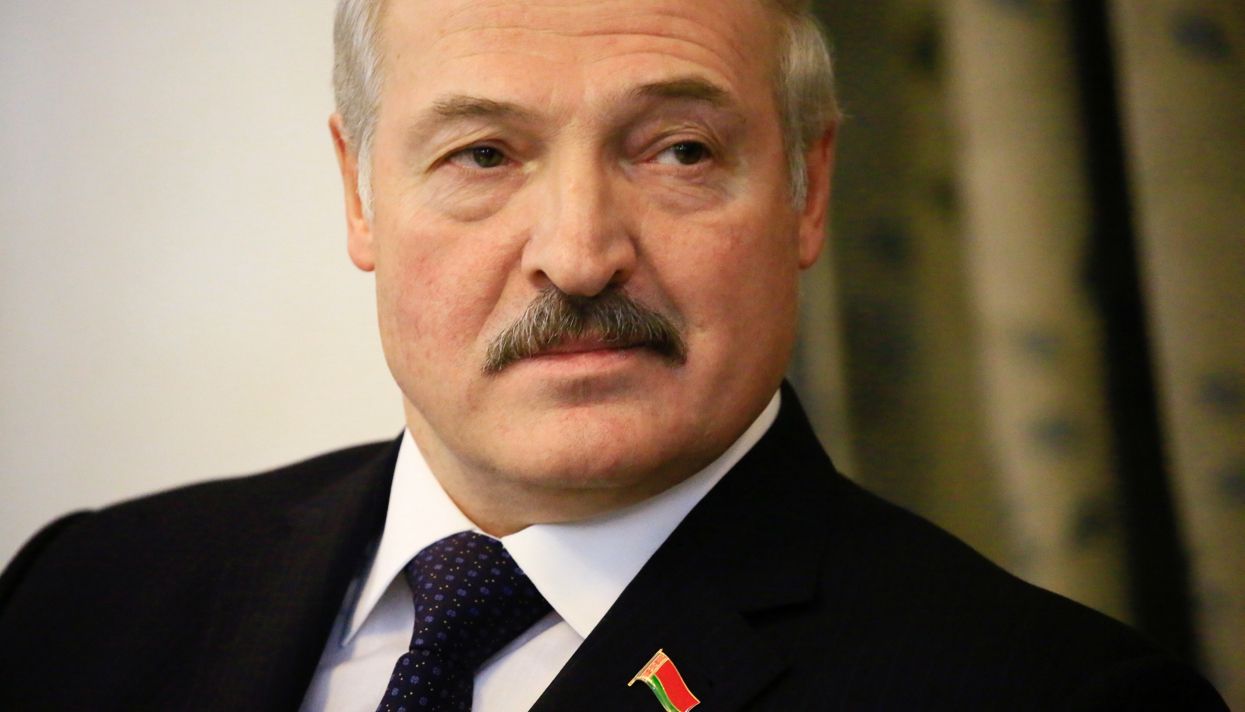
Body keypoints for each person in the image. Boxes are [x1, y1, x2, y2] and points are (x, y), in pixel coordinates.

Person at [0, 0, 1228, 709]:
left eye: (679, 151)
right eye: (484, 155)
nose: (580, 255)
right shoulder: (77, 598)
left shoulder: (1056, 699)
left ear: (808, 190)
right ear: (360, 195)